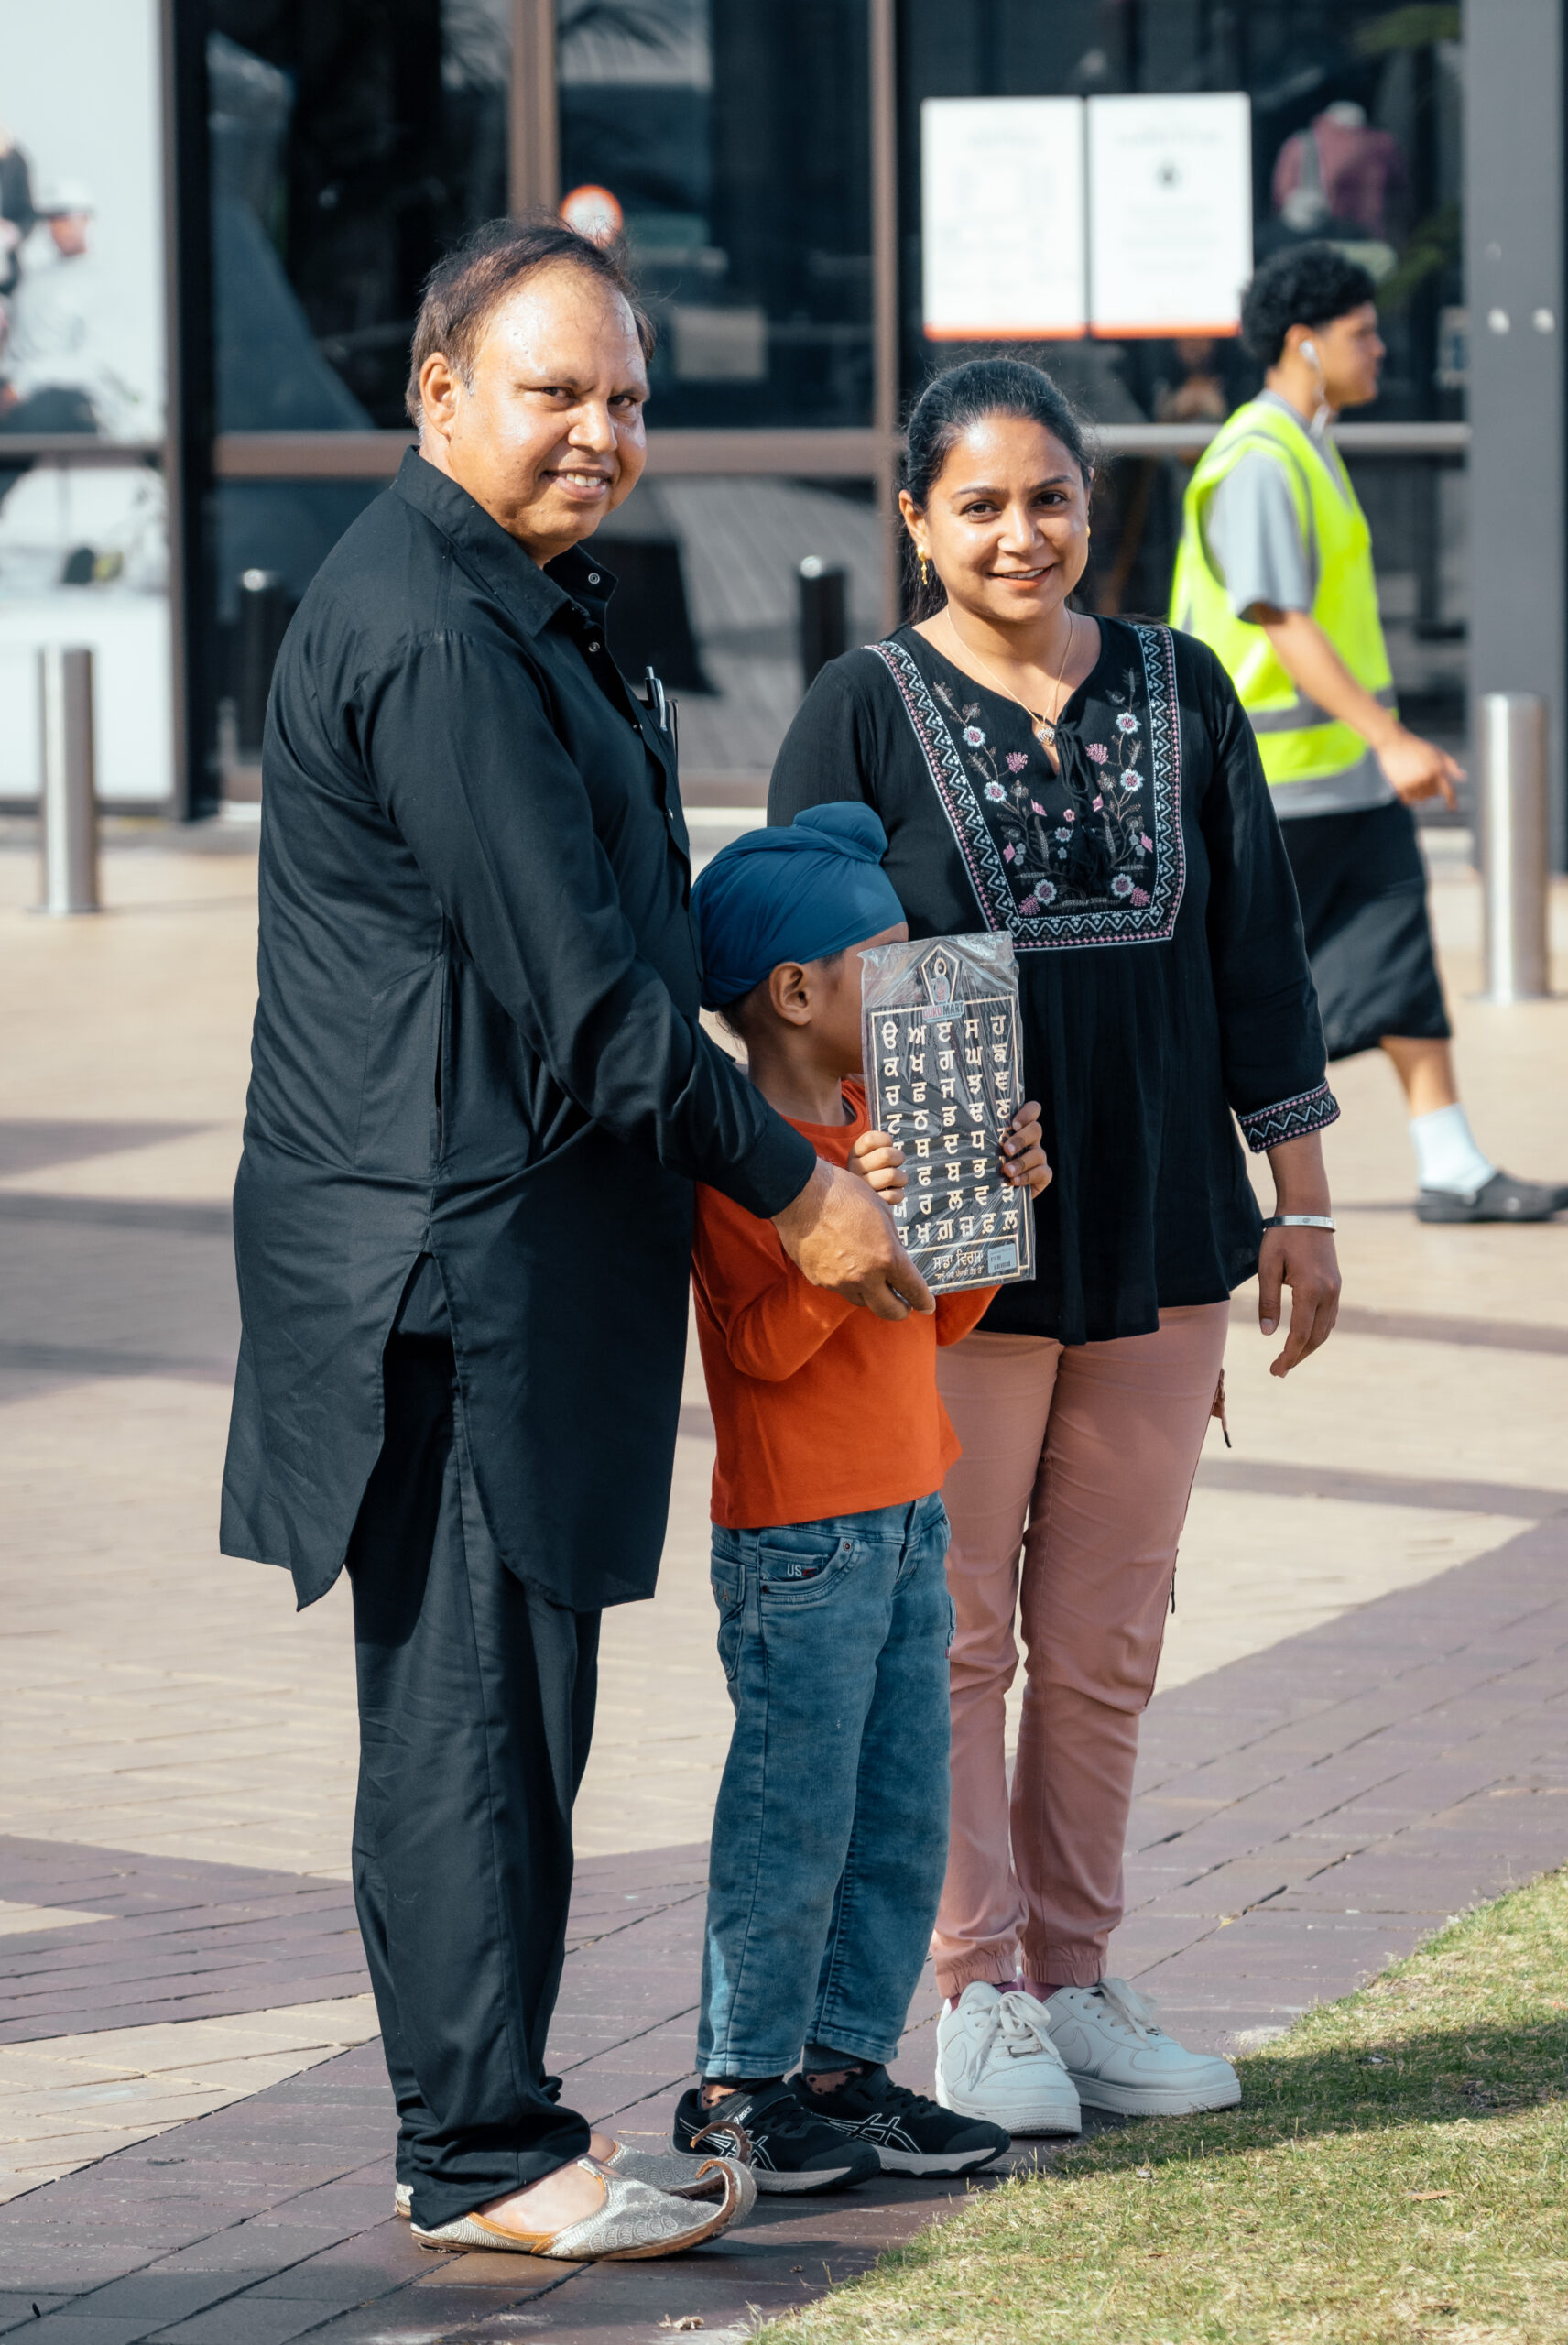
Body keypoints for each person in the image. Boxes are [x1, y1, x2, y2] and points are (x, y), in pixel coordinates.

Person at [220, 217, 928, 2264]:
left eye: (626, 396)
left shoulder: (519, 601)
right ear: (437, 392)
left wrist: (833, 1094)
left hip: (511, 1245)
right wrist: (798, 1188)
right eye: (555, 392)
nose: (600, 432)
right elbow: (596, 1001)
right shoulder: (441, 634)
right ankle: (484, 2154)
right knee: (471, 1713)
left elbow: (639, 945)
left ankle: (488, 2127)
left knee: (506, 1704)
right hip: (447, 1270)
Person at [768, 357, 1341, 2135]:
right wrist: (856, 1148)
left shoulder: (1184, 687)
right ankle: (980, 1995)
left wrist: (1304, 1199)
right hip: (962, 1252)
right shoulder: (861, 710)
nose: (1020, 534)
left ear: (1093, 503)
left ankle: (1081, 1983)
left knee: (1103, 1639)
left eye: (1051, 498)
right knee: (955, 1637)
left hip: (1168, 1224)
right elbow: (782, 980)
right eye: (980, 505)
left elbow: (1259, 953)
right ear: (914, 520)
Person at [672, 802, 1048, 2192]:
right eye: (881, 959)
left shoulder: (879, 1124)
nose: (910, 982)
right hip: (799, 1542)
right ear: (795, 992)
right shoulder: (749, 1163)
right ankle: (737, 2086)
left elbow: (937, 1322)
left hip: (909, 1513)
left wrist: (988, 1212)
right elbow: (762, 1351)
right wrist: (845, 1225)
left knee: (900, 1817)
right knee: (793, 1819)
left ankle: (844, 2071)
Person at [1171, 244, 1568, 1225]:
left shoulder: (1307, 446)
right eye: (1362, 333)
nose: (1381, 349)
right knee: (1228, 994)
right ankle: (1175, 1176)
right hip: (1270, 787)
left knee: (1400, 952)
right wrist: (1390, 737)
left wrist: (1376, 747)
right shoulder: (1259, 458)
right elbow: (1281, 620)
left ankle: (1452, 1166)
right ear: (1304, 344)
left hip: (1339, 780)